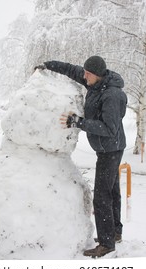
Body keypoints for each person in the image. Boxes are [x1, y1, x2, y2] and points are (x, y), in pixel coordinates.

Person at [34, 56, 127, 258]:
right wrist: (48, 65)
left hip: (110, 149)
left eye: (88, 74)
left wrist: (78, 122)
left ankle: (106, 243)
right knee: (112, 191)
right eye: (85, 72)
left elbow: (109, 128)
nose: (84, 76)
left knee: (102, 196)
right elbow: (71, 69)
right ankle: (115, 232)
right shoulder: (94, 81)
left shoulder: (111, 95)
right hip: (108, 148)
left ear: (98, 75)